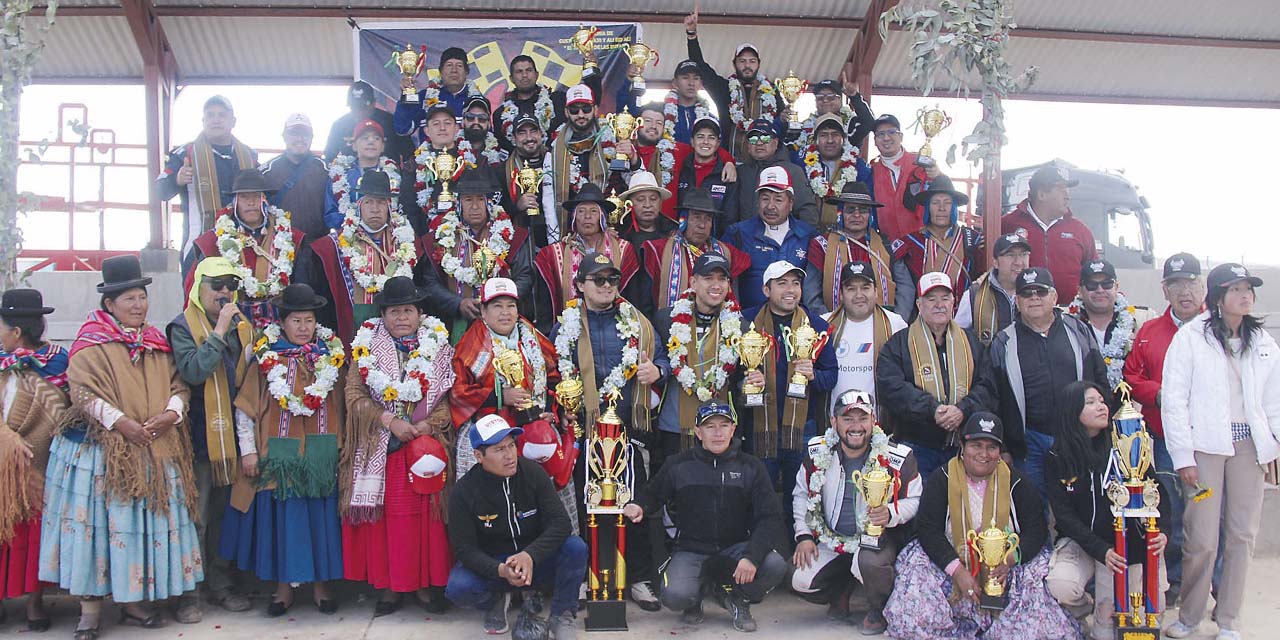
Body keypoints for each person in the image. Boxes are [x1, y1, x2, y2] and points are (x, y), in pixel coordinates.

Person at [40, 255, 202, 639]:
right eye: (128, 298)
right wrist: (121, 422)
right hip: (106, 454)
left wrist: (170, 414)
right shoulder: (90, 345)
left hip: (154, 448)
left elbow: (180, 386)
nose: (137, 305)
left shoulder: (157, 342)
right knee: (98, 529)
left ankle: (132, 603)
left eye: (141, 297)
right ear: (109, 304)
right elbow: (80, 392)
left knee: (139, 527)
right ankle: (90, 611)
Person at [1161, 263, 1280, 640]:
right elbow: (1175, 401)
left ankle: (1229, 619)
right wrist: (1183, 457)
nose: (1245, 296)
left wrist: (1273, 445)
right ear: (1216, 296)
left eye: (1249, 289)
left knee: (1242, 535)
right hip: (1205, 450)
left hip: (1249, 450)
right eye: (1236, 289)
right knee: (1201, 536)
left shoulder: (1262, 341)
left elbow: (1273, 400)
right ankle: (1190, 616)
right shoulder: (1191, 337)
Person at [883, 412, 1079, 640]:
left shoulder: (1016, 481)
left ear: (999, 452)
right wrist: (958, 571)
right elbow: (929, 531)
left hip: (1005, 566)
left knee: (1037, 620)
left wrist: (1009, 560)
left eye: (991, 447)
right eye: (976, 445)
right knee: (916, 584)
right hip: (951, 559)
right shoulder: (943, 478)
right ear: (962, 445)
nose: (984, 454)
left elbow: (1036, 531)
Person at [549, 252, 667, 612]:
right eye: (597, 280)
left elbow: (661, 357)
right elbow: (553, 372)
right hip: (584, 430)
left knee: (633, 503)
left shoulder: (637, 321)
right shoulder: (566, 323)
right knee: (587, 503)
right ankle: (587, 576)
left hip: (627, 431)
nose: (605, 286)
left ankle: (640, 577)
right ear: (580, 285)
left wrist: (657, 372)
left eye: (611, 280)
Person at [218, 283, 346, 617]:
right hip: (280, 451)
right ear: (283, 323)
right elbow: (244, 409)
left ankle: (321, 587)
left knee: (320, 519)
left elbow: (344, 408)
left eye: (309, 321)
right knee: (284, 522)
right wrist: (247, 451)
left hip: (321, 451)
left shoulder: (330, 357)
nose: (303, 328)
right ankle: (283, 589)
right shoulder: (266, 358)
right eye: (296, 321)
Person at [340, 277, 456, 615]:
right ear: (383, 315)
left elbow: (450, 399)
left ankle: (421, 586)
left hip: (424, 445)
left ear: (420, 313)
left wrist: (425, 425)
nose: (401, 317)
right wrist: (390, 421)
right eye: (394, 311)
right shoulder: (364, 349)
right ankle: (390, 587)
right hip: (382, 446)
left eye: (408, 310)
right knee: (387, 522)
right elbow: (353, 396)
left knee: (424, 521)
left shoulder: (439, 348)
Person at [623, 402, 789, 633]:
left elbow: (770, 517)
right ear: (698, 433)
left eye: (724, 425)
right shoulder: (678, 464)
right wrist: (639, 505)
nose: (718, 433)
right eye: (710, 426)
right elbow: (653, 493)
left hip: (735, 549)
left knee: (774, 565)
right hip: (690, 550)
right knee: (674, 596)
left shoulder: (752, 467)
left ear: (733, 429)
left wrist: (752, 556)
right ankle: (695, 598)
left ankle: (737, 598)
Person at [164, 258, 256, 621]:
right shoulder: (183, 325)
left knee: (225, 513)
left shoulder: (243, 325)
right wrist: (218, 330)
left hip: (236, 430)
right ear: (198, 288)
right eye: (216, 284)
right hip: (200, 433)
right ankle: (189, 592)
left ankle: (220, 584)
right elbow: (194, 371)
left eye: (230, 285)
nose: (223, 292)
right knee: (197, 515)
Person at [1045, 381, 1169, 640]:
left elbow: (1158, 494)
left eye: (1102, 401)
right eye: (1090, 402)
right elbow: (1065, 517)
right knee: (1061, 585)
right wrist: (1100, 550)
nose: (1101, 407)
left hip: (1125, 546)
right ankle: (1080, 613)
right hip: (1085, 542)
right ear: (1072, 411)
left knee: (1122, 623)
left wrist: (1163, 532)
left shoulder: (1124, 444)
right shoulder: (1057, 456)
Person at [445, 414, 587, 638]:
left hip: (535, 560)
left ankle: (562, 615)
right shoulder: (464, 491)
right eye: (499, 450)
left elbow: (561, 523)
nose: (510, 455)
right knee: (458, 587)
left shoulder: (533, 473)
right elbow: (465, 549)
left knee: (576, 548)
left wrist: (530, 555)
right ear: (478, 456)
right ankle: (495, 601)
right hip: (496, 565)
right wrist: (499, 569)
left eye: (511, 446)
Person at [791, 390, 920, 634]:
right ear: (834, 422)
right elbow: (801, 494)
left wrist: (891, 512)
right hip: (832, 538)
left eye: (863, 418)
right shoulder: (816, 451)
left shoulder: (899, 457)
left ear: (874, 421)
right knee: (799, 578)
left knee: (869, 562)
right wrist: (804, 535)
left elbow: (915, 499)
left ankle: (878, 608)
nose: (856, 426)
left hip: (876, 540)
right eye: (848, 419)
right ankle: (841, 591)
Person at [1121, 252, 1204, 603]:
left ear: (1202, 287)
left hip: (1207, 443)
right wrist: (1161, 397)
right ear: (1164, 290)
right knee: (1168, 509)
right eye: (1175, 284)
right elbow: (1131, 376)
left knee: (1204, 510)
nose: (1184, 291)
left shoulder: (1214, 327)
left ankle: (1206, 586)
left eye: (1190, 283)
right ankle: (1170, 582)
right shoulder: (1150, 332)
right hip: (1164, 441)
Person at [989, 267, 1109, 495]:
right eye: (1026, 293)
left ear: (1054, 297)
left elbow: (1099, 378)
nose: (1034, 298)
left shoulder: (1079, 330)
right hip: (1029, 442)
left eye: (1040, 292)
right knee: (1034, 508)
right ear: (1017, 301)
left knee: (1080, 503)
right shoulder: (1003, 341)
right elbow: (995, 398)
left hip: (1075, 437)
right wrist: (1003, 446)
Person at [742, 261, 838, 517]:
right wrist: (746, 383)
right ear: (766, 290)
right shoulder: (745, 322)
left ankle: (799, 544)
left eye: (795, 283)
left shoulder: (816, 326)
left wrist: (813, 375)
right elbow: (729, 377)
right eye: (782, 283)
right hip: (759, 425)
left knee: (800, 495)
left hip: (802, 427)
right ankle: (763, 549)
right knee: (759, 495)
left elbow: (831, 376)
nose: (791, 290)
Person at [876, 273, 994, 476]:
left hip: (963, 446)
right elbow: (892, 389)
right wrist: (933, 409)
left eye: (945, 298)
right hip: (917, 446)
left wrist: (962, 410)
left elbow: (987, 387)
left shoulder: (971, 343)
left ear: (953, 303)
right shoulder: (899, 344)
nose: (939, 305)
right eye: (931, 299)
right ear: (919, 305)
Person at [0, 289, 67, 632]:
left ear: (16, 331)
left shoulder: (56, 361)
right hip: (2, 463)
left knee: (35, 535)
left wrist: (33, 444)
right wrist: (7, 439)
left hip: (42, 460)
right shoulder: (0, 363)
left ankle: (34, 602)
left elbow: (65, 408)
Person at [450, 278, 560, 474]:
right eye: (497, 306)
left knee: (549, 446)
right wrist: (500, 396)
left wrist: (549, 410)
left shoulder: (531, 337)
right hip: (488, 425)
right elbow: (458, 393)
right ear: (483, 311)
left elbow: (554, 377)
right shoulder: (471, 344)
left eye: (511, 306)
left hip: (534, 424)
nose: (505, 313)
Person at [181, 168, 311, 328]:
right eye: (244, 197)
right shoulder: (212, 242)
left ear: (264, 200)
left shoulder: (289, 238)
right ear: (234, 201)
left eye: (256, 196)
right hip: (230, 326)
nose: (251, 203)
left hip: (280, 326)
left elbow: (302, 289)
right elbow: (197, 291)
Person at [652, 253, 748, 465]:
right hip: (674, 427)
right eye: (708, 277)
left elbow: (742, 378)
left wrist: (751, 382)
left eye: (722, 279)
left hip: (720, 431)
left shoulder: (740, 326)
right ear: (693, 282)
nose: (716, 284)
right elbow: (661, 365)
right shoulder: (666, 320)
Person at [312, 169, 421, 344]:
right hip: (351, 327)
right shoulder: (335, 244)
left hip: (398, 329)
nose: (375, 209)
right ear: (359, 206)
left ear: (389, 207)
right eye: (369, 202)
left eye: (381, 202)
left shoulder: (406, 241)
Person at [418, 170, 534, 334]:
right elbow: (430, 283)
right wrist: (458, 304)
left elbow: (525, 276)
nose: (474, 206)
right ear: (458, 203)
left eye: (480, 199)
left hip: (503, 323)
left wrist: (499, 303)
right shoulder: (440, 237)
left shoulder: (512, 235)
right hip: (454, 324)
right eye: (468, 199)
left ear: (489, 203)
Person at [157, 95, 257, 254]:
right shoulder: (185, 153)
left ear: (233, 121)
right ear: (203, 121)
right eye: (210, 115)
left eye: (222, 115)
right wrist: (177, 179)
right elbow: (160, 191)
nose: (216, 120)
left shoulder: (249, 156)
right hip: (199, 243)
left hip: (243, 243)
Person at [533, 184, 639, 333]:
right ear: (574, 217)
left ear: (602, 217)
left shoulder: (623, 250)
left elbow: (633, 299)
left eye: (594, 211)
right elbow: (545, 307)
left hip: (615, 331)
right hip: (568, 333)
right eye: (581, 211)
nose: (587, 217)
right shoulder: (553, 254)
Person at [683, 10, 783, 159]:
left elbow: (782, 121)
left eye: (752, 61)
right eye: (742, 61)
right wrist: (692, 35)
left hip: (765, 163)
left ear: (759, 64)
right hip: (730, 163)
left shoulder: (771, 91)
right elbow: (701, 67)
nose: (747, 65)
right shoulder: (725, 88)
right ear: (734, 64)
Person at [638, 187, 749, 316]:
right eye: (696, 217)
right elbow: (644, 302)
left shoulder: (726, 252)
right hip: (670, 328)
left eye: (707, 219)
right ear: (683, 220)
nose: (702, 225)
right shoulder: (658, 250)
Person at [722, 167, 819, 310]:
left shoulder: (808, 236)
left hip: (797, 324)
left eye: (778, 199)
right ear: (757, 202)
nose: (770, 206)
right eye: (765, 199)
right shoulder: (738, 234)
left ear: (791, 203)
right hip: (750, 323)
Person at [1001, 164, 1096, 301]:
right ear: (1041, 195)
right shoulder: (1007, 225)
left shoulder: (1080, 230)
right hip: (1021, 314)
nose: (1067, 195)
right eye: (1061, 189)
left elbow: (1095, 274)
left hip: (1069, 316)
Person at [822, 261, 906, 415]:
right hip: (834, 423)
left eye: (865, 288)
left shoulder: (895, 324)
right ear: (840, 294)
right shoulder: (823, 324)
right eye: (851, 289)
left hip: (881, 423)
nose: (859, 295)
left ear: (876, 291)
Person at [892, 175, 984, 314]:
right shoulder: (910, 243)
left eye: (947, 202)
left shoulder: (972, 239)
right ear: (928, 207)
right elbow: (902, 288)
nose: (941, 208)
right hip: (922, 322)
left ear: (954, 207)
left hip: (963, 321)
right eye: (935, 202)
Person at [804, 181, 896, 315]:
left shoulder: (886, 245)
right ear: (840, 213)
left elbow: (904, 289)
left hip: (880, 322)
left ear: (870, 215)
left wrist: (893, 320)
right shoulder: (821, 245)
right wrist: (828, 321)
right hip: (833, 322)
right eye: (850, 210)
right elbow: (811, 294)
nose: (857, 215)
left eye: (863, 210)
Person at [1067, 259, 1154, 388]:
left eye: (1107, 284)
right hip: (1084, 403)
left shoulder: (1142, 319)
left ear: (1117, 287)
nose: (1100, 290)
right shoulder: (1067, 323)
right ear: (1079, 290)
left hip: (1131, 403)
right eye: (1092, 285)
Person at [549, 83, 622, 233]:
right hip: (571, 224)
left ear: (595, 109)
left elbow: (623, 178)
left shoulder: (612, 139)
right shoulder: (555, 146)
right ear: (566, 112)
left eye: (586, 109)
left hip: (610, 220)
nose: (581, 114)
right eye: (574, 110)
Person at [492, 54, 591, 150]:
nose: (524, 75)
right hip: (518, 165)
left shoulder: (558, 101)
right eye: (519, 71)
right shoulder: (501, 114)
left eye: (529, 70)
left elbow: (588, 103)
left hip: (558, 161)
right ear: (511, 78)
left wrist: (591, 69)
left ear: (537, 75)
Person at [865, 114, 935, 244]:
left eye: (892, 132)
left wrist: (937, 175)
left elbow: (943, 196)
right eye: (880, 134)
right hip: (889, 245)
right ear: (875, 141)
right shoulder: (871, 170)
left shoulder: (921, 163)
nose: (886, 138)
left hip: (922, 241)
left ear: (901, 136)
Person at [260, 113, 330, 244]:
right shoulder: (267, 172)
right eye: (294, 134)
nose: (300, 139)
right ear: (284, 136)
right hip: (280, 247)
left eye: (305, 134)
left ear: (312, 138)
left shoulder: (326, 170)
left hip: (317, 247)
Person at [734, 118, 818, 226]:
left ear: (776, 142)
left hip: (784, 240)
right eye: (753, 139)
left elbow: (807, 211)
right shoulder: (741, 172)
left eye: (765, 138)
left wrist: (804, 239)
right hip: (746, 239)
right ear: (748, 146)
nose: (759, 143)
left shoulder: (793, 171)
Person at [323, 118, 402, 231]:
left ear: (383, 146)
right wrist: (354, 227)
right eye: (365, 138)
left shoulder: (394, 174)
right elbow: (331, 213)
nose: (371, 141)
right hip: (348, 240)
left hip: (385, 239)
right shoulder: (340, 174)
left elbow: (399, 212)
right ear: (354, 145)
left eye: (376, 138)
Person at [956, 232, 1031, 345]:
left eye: (1023, 254)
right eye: (1010, 255)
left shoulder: (1038, 293)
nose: (1019, 262)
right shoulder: (975, 294)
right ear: (995, 262)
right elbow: (957, 338)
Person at [799, 113, 872, 229]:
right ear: (815, 140)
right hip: (808, 234)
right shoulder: (801, 166)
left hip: (847, 234)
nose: (830, 140)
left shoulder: (859, 168)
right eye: (823, 135)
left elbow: (869, 206)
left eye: (835, 135)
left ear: (844, 139)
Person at [665, 116, 738, 228]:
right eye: (700, 136)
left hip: (714, 241)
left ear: (718, 143)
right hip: (678, 239)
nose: (705, 142)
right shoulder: (679, 166)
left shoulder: (727, 173)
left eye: (711, 137)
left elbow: (730, 218)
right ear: (692, 142)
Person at [616, 59, 710, 145]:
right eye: (685, 77)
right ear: (675, 83)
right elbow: (625, 114)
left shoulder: (709, 118)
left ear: (701, 84)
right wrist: (628, 81)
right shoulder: (658, 111)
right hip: (662, 162)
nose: (691, 83)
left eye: (696, 78)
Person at [395, 47, 477, 145]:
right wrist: (406, 96)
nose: (454, 70)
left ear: (466, 72)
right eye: (449, 65)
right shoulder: (424, 96)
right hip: (430, 159)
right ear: (440, 71)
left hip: (469, 159)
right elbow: (403, 129)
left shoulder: (475, 100)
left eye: (459, 66)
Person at [497, 112, 556, 247]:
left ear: (541, 134)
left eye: (533, 131)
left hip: (555, 237)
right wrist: (517, 206)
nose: (529, 138)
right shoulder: (502, 171)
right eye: (522, 133)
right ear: (513, 138)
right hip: (520, 243)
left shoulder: (556, 163)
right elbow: (496, 210)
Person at [325, 80, 410, 167]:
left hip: (388, 176)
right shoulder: (339, 125)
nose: (359, 112)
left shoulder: (390, 121)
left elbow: (409, 154)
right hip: (352, 177)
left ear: (374, 103)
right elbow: (330, 157)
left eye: (363, 107)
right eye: (354, 107)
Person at [409, 103, 466, 232]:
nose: (442, 128)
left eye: (447, 123)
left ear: (457, 128)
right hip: (426, 233)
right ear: (426, 131)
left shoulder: (471, 161)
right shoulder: (413, 165)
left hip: (464, 233)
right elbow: (410, 207)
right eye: (436, 124)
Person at [784, 76, 875, 149]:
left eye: (831, 97)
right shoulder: (805, 126)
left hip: (847, 169)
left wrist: (855, 97)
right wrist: (782, 122)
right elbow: (787, 146)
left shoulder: (851, 123)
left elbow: (869, 123)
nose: (825, 100)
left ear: (840, 100)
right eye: (820, 97)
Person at [619, 170, 677, 251]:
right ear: (629, 203)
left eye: (653, 199)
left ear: (660, 202)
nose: (647, 205)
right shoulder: (621, 233)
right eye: (640, 199)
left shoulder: (673, 231)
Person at [459, 93, 507, 169]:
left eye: (482, 118)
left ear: (489, 123)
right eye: (470, 117)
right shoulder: (452, 151)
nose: (476, 122)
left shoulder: (501, 155)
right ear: (463, 121)